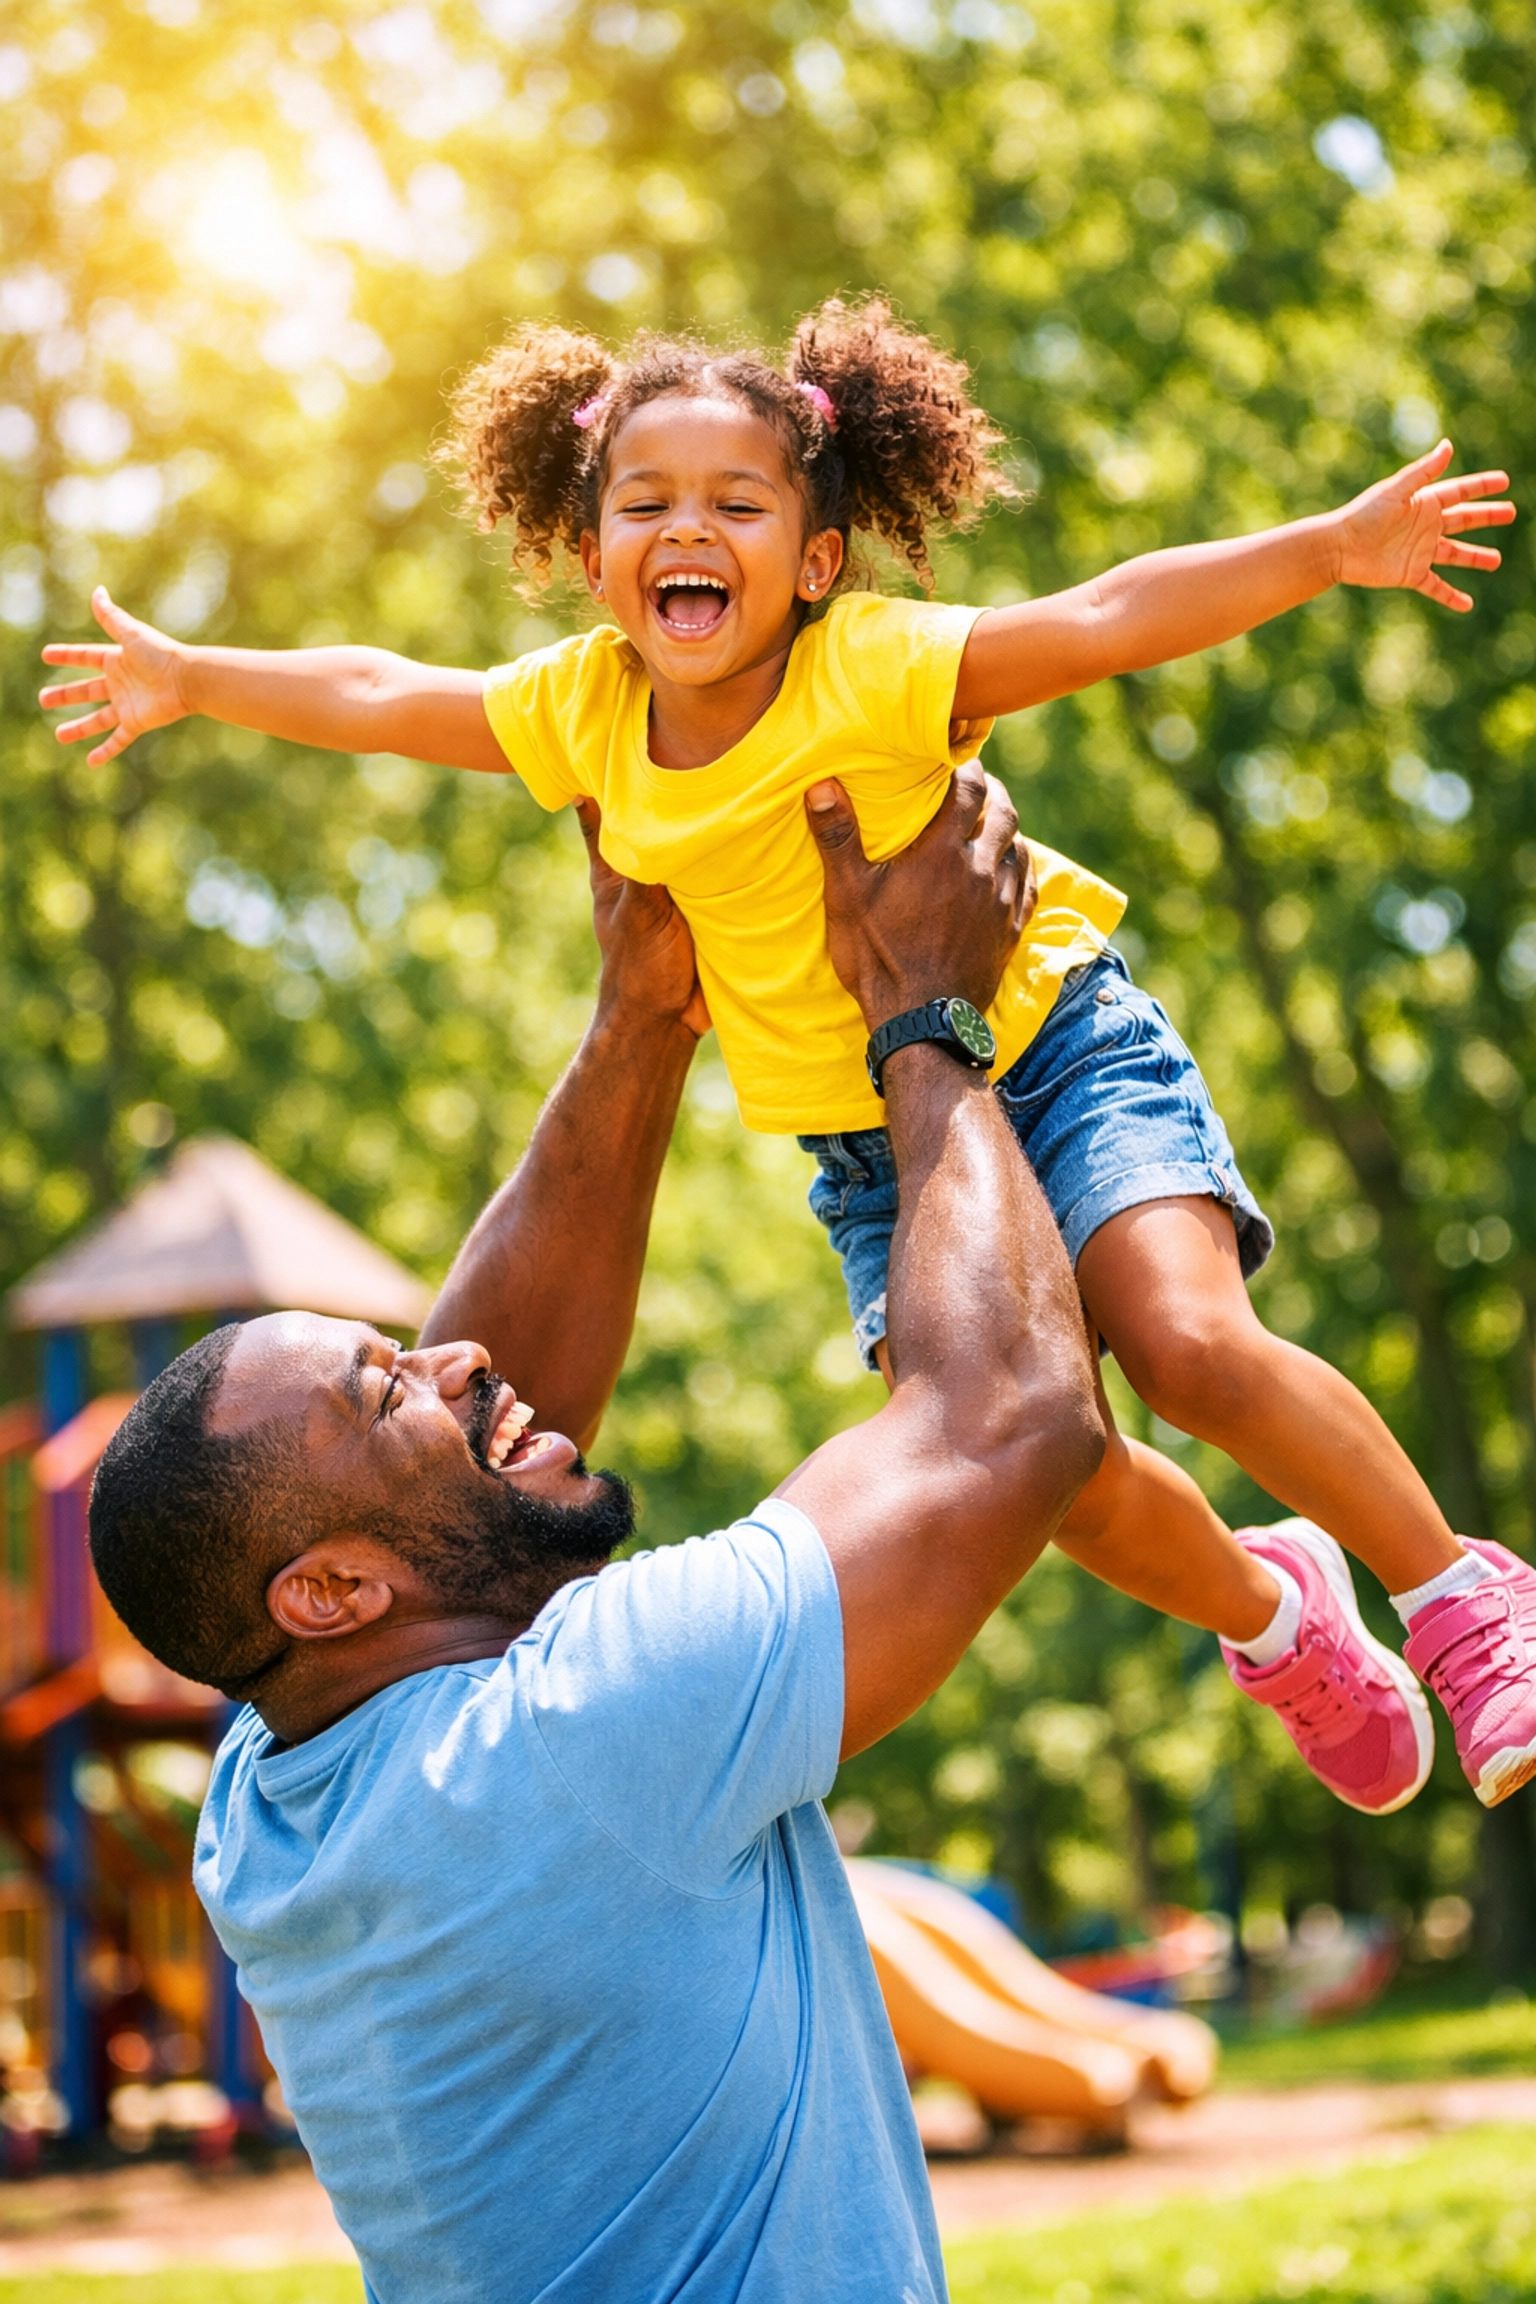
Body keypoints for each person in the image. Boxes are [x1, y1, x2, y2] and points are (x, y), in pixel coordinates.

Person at [43, 301, 1536, 1814]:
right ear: (588, 553)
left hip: (1053, 1043)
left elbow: (1103, 615)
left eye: (736, 503)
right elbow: (377, 694)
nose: (689, 528)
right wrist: (191, 676)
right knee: (1048, 1467)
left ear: (815, 561)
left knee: (1188, 1349)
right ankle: (1279, 1617)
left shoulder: (878, 667)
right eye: (648, 503)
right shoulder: (580, 709)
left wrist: (1327, 551)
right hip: (874, 1142)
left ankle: (1462, 1600)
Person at [88, 768, 1103, 2304]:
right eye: (389, 1386)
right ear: (335, 1589)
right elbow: (1011, 1420)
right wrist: (926, 1016)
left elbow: (478, 1446)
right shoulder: (574, 1736)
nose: (461, 1359)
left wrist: (641, 1022)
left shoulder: (272, 1798)